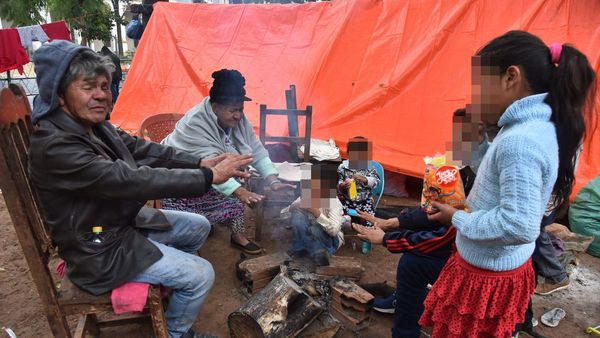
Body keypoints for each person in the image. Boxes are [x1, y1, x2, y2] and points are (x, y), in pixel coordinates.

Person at [28, 40, 253, 338]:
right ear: (59, 94)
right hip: (96, 249)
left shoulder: (91, 125)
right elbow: (131, 180)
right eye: (88, 86)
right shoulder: (56, 146)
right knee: (201, 275)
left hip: (115, 224)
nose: (101, 96)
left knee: (198, 227)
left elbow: (141, 149)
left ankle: (169, 286)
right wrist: (207, 175)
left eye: (105, 86)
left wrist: (198, 161)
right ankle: (174, 333)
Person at [419, 31, 596, 338]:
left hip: (486, 275)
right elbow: (498, 176)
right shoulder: (529, 126)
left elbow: (518, 226)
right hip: (500, 268)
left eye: (480, 84)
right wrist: (477, 146)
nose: (475, 95)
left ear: (510, 77)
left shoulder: (520, 141)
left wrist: (456, 217)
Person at [161, 69, 293, 255]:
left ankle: (237, 235)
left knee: (235, 185)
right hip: (180, 179)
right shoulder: (196, 122)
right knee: (234, 189)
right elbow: (214, 167)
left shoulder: (238, 119)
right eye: (233, 110)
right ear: (215, 108)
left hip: (213, 177)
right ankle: (192, 237)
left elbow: (254, 147)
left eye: (241, 109)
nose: (238, 115)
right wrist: (240, 191)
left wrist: (273, 180)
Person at [286, 162, 345, 266]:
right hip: (309, 236)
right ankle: (301, 249)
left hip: (329, 239)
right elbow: (283, 214)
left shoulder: (333, 202)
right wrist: (292, 207)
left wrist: (316, 213)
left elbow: (334, 231)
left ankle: (323, 252)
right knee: (298, 215)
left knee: (315, 229)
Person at [337, 136, 380, 224]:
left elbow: (376, 182)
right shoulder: (343, 167)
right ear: (349, 153)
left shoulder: (370, 168)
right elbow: (339, 183)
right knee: (338, 210)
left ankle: (367, 227)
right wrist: (343, 185)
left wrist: (365, 179)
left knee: (369, 218)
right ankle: (345, 222)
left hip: (365, 201)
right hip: (347, 200)